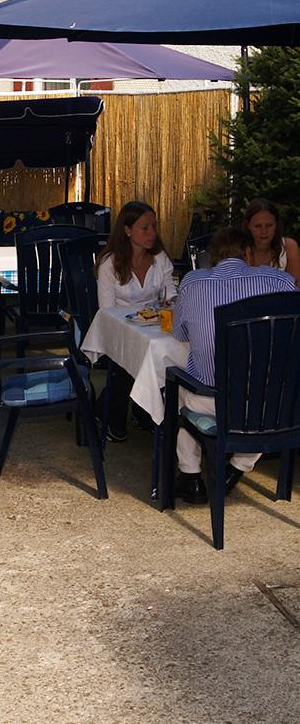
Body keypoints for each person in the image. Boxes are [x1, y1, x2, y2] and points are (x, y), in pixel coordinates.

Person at [170, 227, 296, 504]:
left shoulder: (193, 282)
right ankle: (237, 468)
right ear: (248, 253)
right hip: (272, 407)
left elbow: (179, 335)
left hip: (212, 401)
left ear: (212, 258)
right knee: (273, 389)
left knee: (175, 386)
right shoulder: (282, 282)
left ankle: (190, 477)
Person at [96, 201, 177, 440]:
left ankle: (146, 412)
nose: (152, 233)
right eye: (145, 228)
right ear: (128, 230)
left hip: (154, 328)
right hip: (119, 331)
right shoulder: (110, 264)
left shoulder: (159, 258)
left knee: (172, 355)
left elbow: (171, 294)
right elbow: (107, 312)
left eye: (154, 226)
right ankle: (113, 414)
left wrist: (169, 304)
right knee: (131, 359)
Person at [242, 198, 300, 287]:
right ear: (248, 225)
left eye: (269, 225)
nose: (264, 231)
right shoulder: (238, 250)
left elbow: (295, 290)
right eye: (258, 226)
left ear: (276, 224)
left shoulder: (289, 247)